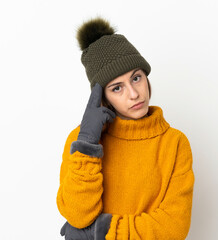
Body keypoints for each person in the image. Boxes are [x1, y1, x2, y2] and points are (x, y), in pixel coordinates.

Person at [56, 16, 195, 240]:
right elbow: (77, 215)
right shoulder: (81, 140)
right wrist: (88, 144)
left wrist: (99, 232)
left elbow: (173, 227)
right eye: (117, 88)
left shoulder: (174, 143)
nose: (134, 93)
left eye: (136, 78)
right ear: (103, 97)